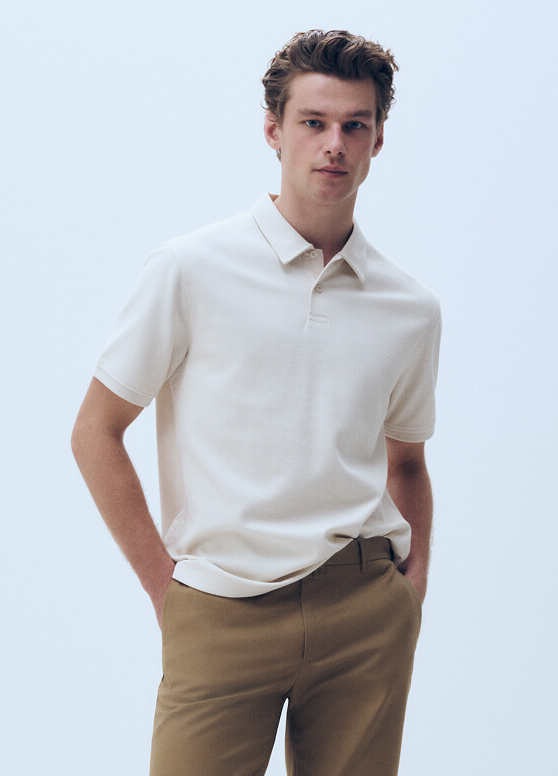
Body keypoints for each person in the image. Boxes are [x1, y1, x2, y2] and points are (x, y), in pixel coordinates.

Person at [72, 29, 441, 776]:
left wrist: (411, 593)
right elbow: (96, 432)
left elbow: (407, 463)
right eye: (313, 122)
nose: (334, 144)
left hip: (363, 611)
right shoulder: (190, 270)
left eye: (355, 125)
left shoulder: (410, 308)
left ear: (378, 140)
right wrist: (167, 590)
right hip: (221, 608)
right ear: (273, 130)